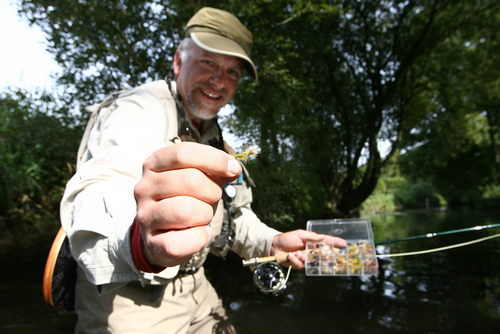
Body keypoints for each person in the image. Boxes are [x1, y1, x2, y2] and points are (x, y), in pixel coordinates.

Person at [60, 7, 345, 333]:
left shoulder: (216, 140)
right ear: (179, 62)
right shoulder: (139, 108)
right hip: (128, 306)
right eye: (208, 62)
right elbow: (102, 193)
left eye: (233, 72)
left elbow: (236, 223)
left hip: (198, 291)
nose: (219, 80)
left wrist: (274, 242)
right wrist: (143, 243)